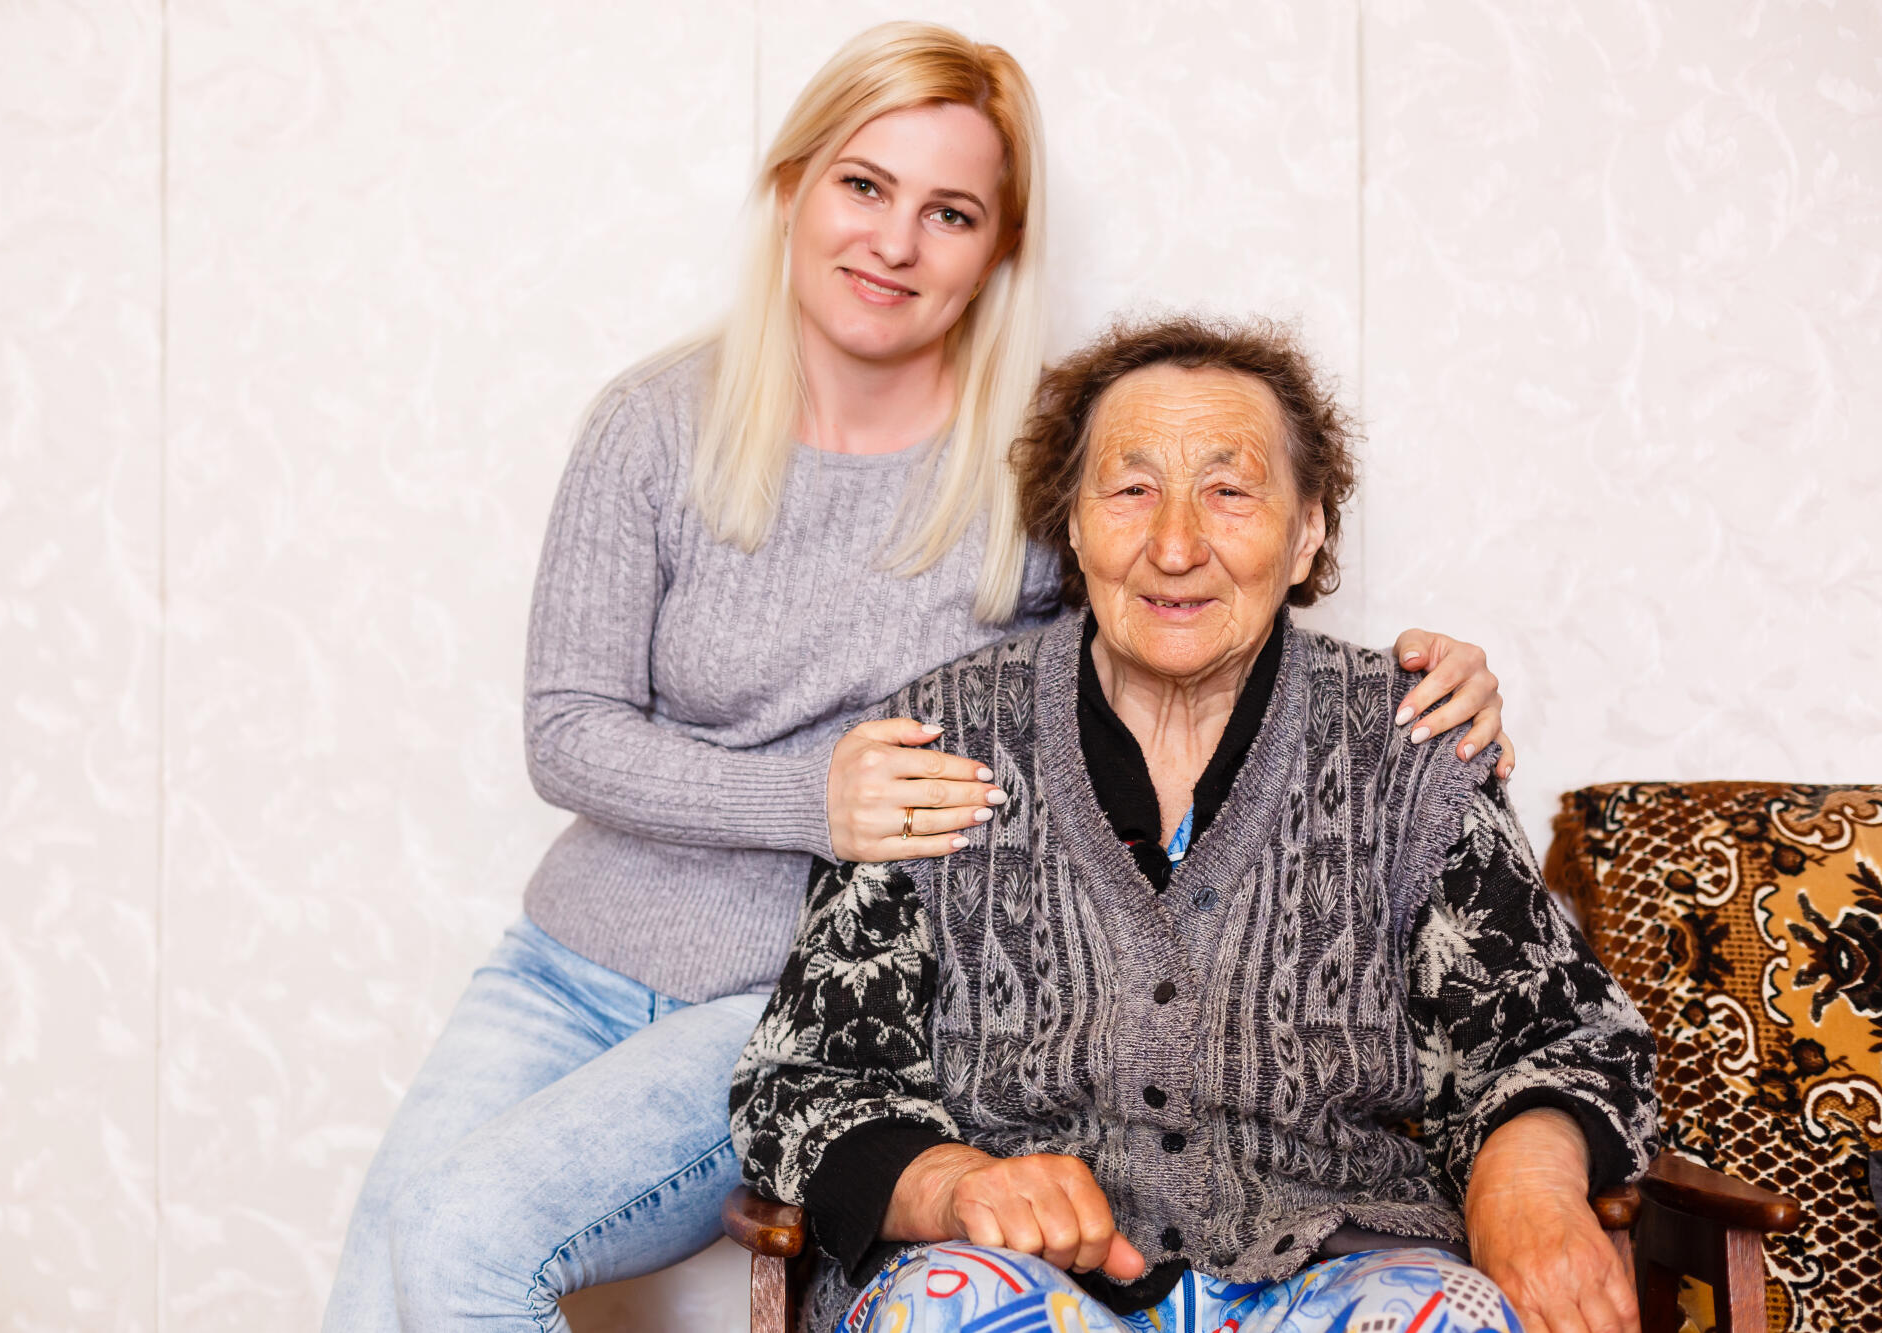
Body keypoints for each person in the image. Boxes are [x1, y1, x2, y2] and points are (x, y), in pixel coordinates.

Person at [323, 25, 1514, 1333]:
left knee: (461, 1237)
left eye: (949, 213)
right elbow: (566, 732)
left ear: (998, 249)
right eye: (864, 186)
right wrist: (811, 799)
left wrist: (1419, 688)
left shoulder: (1044, 464)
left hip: (784, 1000)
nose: (894, 243)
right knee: (383, 1273)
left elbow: (1180, 630)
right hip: (567, 965)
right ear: (794, 187)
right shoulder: (653, 423)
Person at [729, 315, 1657, 1333]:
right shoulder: (942, 738)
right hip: (1020, 1281)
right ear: (1072, 524)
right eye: (1131, 491)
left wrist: (1526, 1179)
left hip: (1333, 1273)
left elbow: (1559, 1035)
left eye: (1229, 492)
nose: (1174, 546)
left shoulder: (1407, 743)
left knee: (1450, 1313)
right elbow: (801, 1080)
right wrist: (951, 1183)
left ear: (1307, 531)